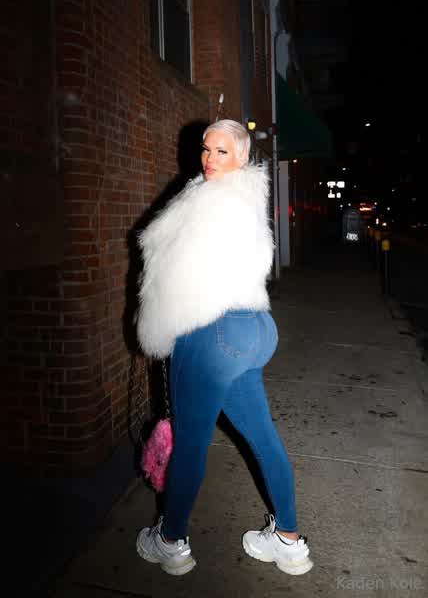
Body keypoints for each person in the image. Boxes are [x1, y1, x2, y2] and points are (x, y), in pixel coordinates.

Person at [135, 119, 313, 576]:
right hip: (255, 329)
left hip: (212, 331)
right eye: (206, 149)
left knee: (191, 444)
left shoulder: (207, 203)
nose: (209, 159)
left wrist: (161, 323)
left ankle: (170, 541)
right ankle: (289, 541)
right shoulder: (247, 200)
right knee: (263, 437)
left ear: (243, 157)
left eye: (222, 152)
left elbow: (178, 280)